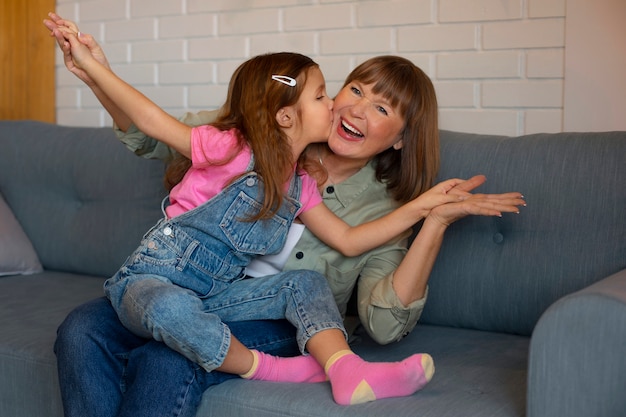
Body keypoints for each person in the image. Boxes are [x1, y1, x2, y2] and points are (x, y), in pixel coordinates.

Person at [45, 13, 525, 417]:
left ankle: (342, 368)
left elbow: (377, 309)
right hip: (180, 286)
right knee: (81, 328)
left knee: (165, 355)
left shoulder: (334, 194)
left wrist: (430, 217)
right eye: (352, 90)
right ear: (290, 112)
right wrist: (93, 73)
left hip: (271, 315)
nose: (349, 108)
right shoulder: (246, 139)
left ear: (400, 137)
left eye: (379, 107)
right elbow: (151, 130)